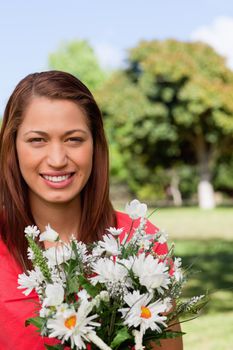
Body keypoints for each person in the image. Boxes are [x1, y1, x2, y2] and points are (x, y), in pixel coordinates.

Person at [0, 70, 183, 350]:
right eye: (37, 140)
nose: (58, 159)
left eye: (74, 139)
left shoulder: (141, 242)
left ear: (95, 145)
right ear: (12, 147)